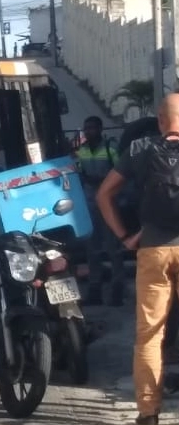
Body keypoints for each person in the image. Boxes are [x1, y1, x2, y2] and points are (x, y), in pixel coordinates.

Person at [96, 93, 179, 425]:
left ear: (160, 120)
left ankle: (148, 411)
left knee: (149, 334)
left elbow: (104, 195)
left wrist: (124, 236)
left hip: (153, 249)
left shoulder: (140, 150)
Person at [75, 115, 124, 306]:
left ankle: (117, 289)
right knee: (92, 249)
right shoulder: (82, 150)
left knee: (113, 248)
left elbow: (120, 171)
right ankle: (95, 289)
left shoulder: (110, 147)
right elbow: (79, 173)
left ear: (100, 129)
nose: (88, 132)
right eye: (86, 128)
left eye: (92, 128)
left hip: (109, 204)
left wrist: (104, 182)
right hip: (90, 205)